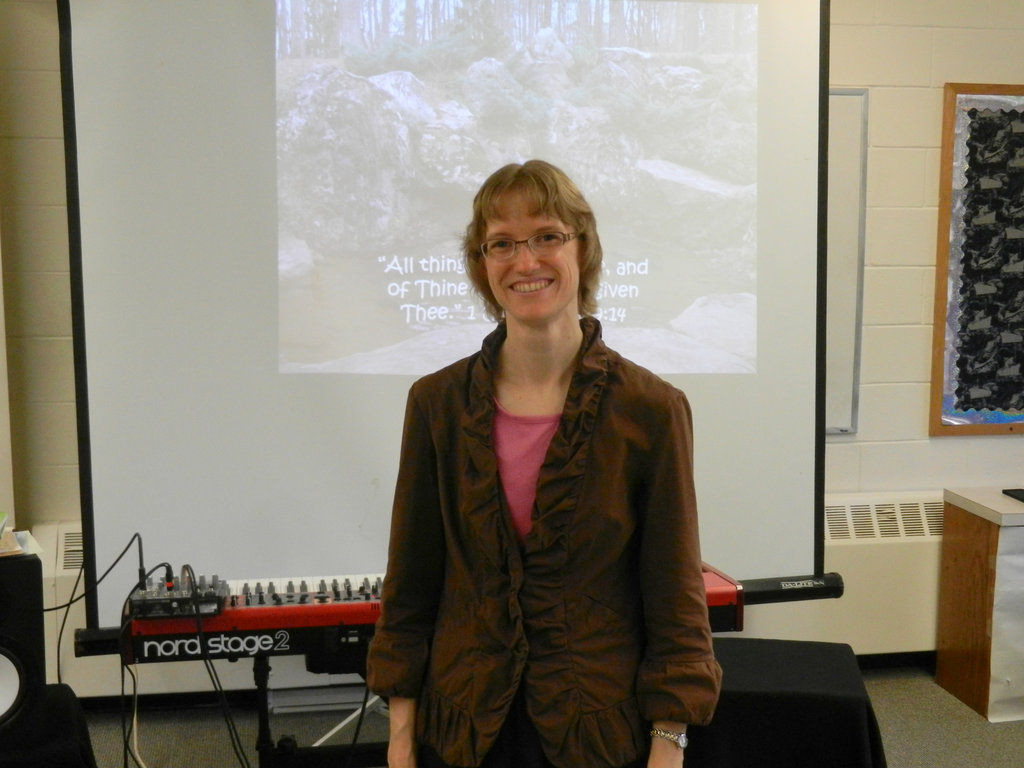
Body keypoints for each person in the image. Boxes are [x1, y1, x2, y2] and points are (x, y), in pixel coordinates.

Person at [366, 159, 722, 768]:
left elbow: (674, 592)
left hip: (597, 731)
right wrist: (400, 735)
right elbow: (411, 582)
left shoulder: (652, 409)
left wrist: (670, 743)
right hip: (463, 730)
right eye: (502, 243)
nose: (525, 261)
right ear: (482, 264)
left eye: (546, 236)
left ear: (583, 248)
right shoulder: (435, 404)